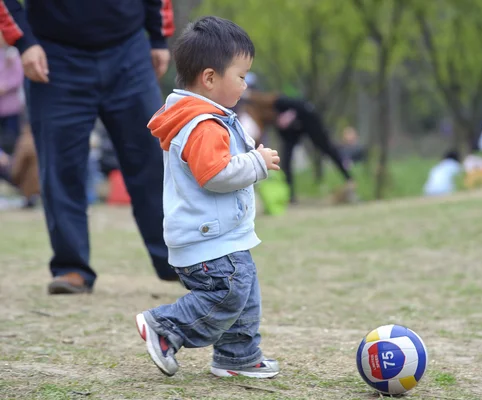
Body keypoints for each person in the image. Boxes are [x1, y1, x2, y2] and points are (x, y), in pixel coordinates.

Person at [134, 16, 281, 379]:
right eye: (241, 76)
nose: (246, 86)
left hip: (219, 235)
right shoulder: (203, 124)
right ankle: (166, 327)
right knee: (228, 293)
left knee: (244, 293)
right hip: (208, 239)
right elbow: (215, 174)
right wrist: (255, 163)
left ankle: (238, 355)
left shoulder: (205, 117)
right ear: (211, 78)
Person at [5, 0, 181, 293]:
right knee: (61, 165)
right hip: (53, 53)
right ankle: (72, 267)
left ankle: (175, 259)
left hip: (130, 48)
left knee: (153, 157)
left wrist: (158, 37)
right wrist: (24, 41)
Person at [0, 32, 24, 155]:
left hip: (11, 108)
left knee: (12, 139)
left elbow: (18, 78)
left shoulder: (12, 55)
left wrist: (4, 87)